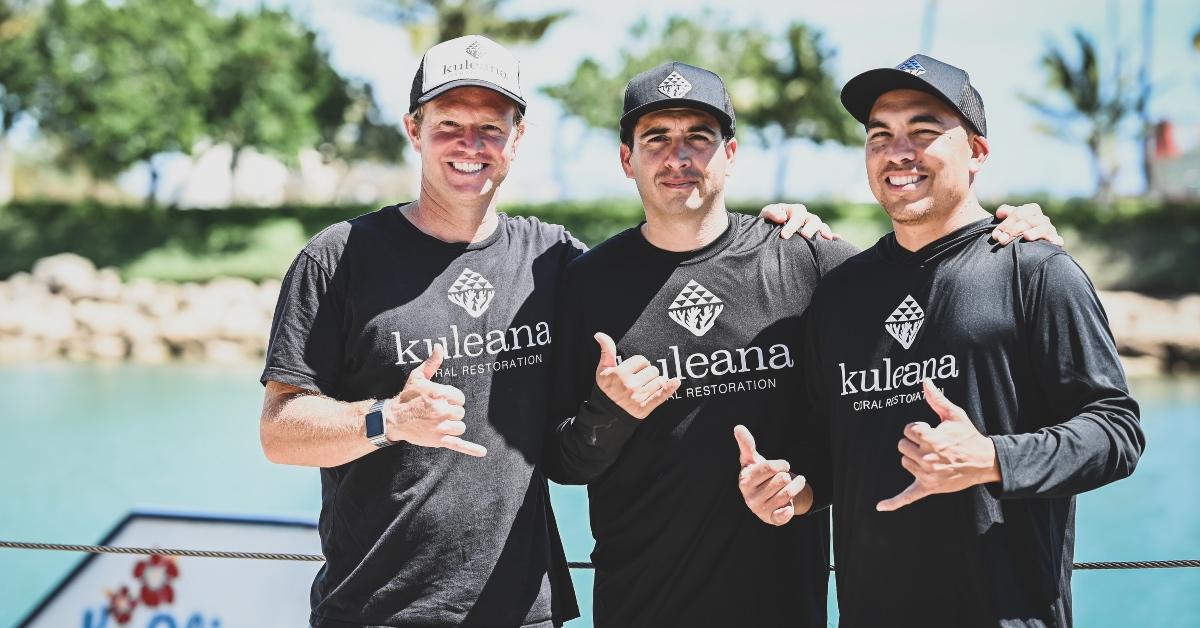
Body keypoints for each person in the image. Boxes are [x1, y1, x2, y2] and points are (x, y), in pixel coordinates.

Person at [257, 35, 833, 627]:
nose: (470, 145)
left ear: (519, 137)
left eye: (491, 127)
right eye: (449, 123)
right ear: (413, 129)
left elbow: (665, 268)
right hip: (375, 609)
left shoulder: (553, 261)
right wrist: (387, 419)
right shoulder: (340, 258)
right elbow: (279, 431)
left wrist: (792, 230)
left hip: (525, 609)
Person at [543, 61, 1061, 627]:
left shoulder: (805, 257)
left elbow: (925, 277)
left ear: (731, 154)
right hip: (639, 604)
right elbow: (564, 461)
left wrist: (1006, 235)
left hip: (788, 605)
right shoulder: (584, 284)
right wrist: (610, 414)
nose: (678, 157)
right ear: (627, 159)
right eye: (656, 139)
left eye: (699, 138)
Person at [736, 54, 1145, 628]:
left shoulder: (1035, 270)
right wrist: (793, 490)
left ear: (976, 151)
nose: (899, 151)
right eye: (881, 135)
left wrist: (993, 458)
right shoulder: (840, 292)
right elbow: (837, 456)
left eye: (924, 131)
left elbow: (1116, 432)